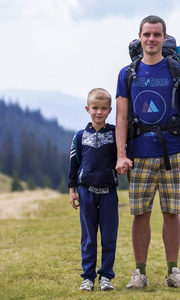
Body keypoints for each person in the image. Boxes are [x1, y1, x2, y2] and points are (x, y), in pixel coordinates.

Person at [115, 15, 180, 290]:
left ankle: (174, 271)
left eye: (157, 35)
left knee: (172, 212)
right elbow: (122, 118)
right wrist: (120, 155)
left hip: (173, 153)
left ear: (164, 38)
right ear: (140, 37)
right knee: (140, 213)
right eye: (147, 34)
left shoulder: (179, 71)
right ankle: (140, 273)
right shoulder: (127, 73)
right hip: (138, 154)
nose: (151, 39)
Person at [68, 88, 119, 292]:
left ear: (110, 110)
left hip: (109, 193)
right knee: (88, 238)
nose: (99, 112)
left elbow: (123, 156)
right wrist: (72, 190)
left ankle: (106, 277)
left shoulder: (116, 134)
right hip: (86, 192)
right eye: (95, 108)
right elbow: (73, 164)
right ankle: (87, 278)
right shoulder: (79, 137)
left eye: (104, 108)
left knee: (108, 237)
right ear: (88, 109)